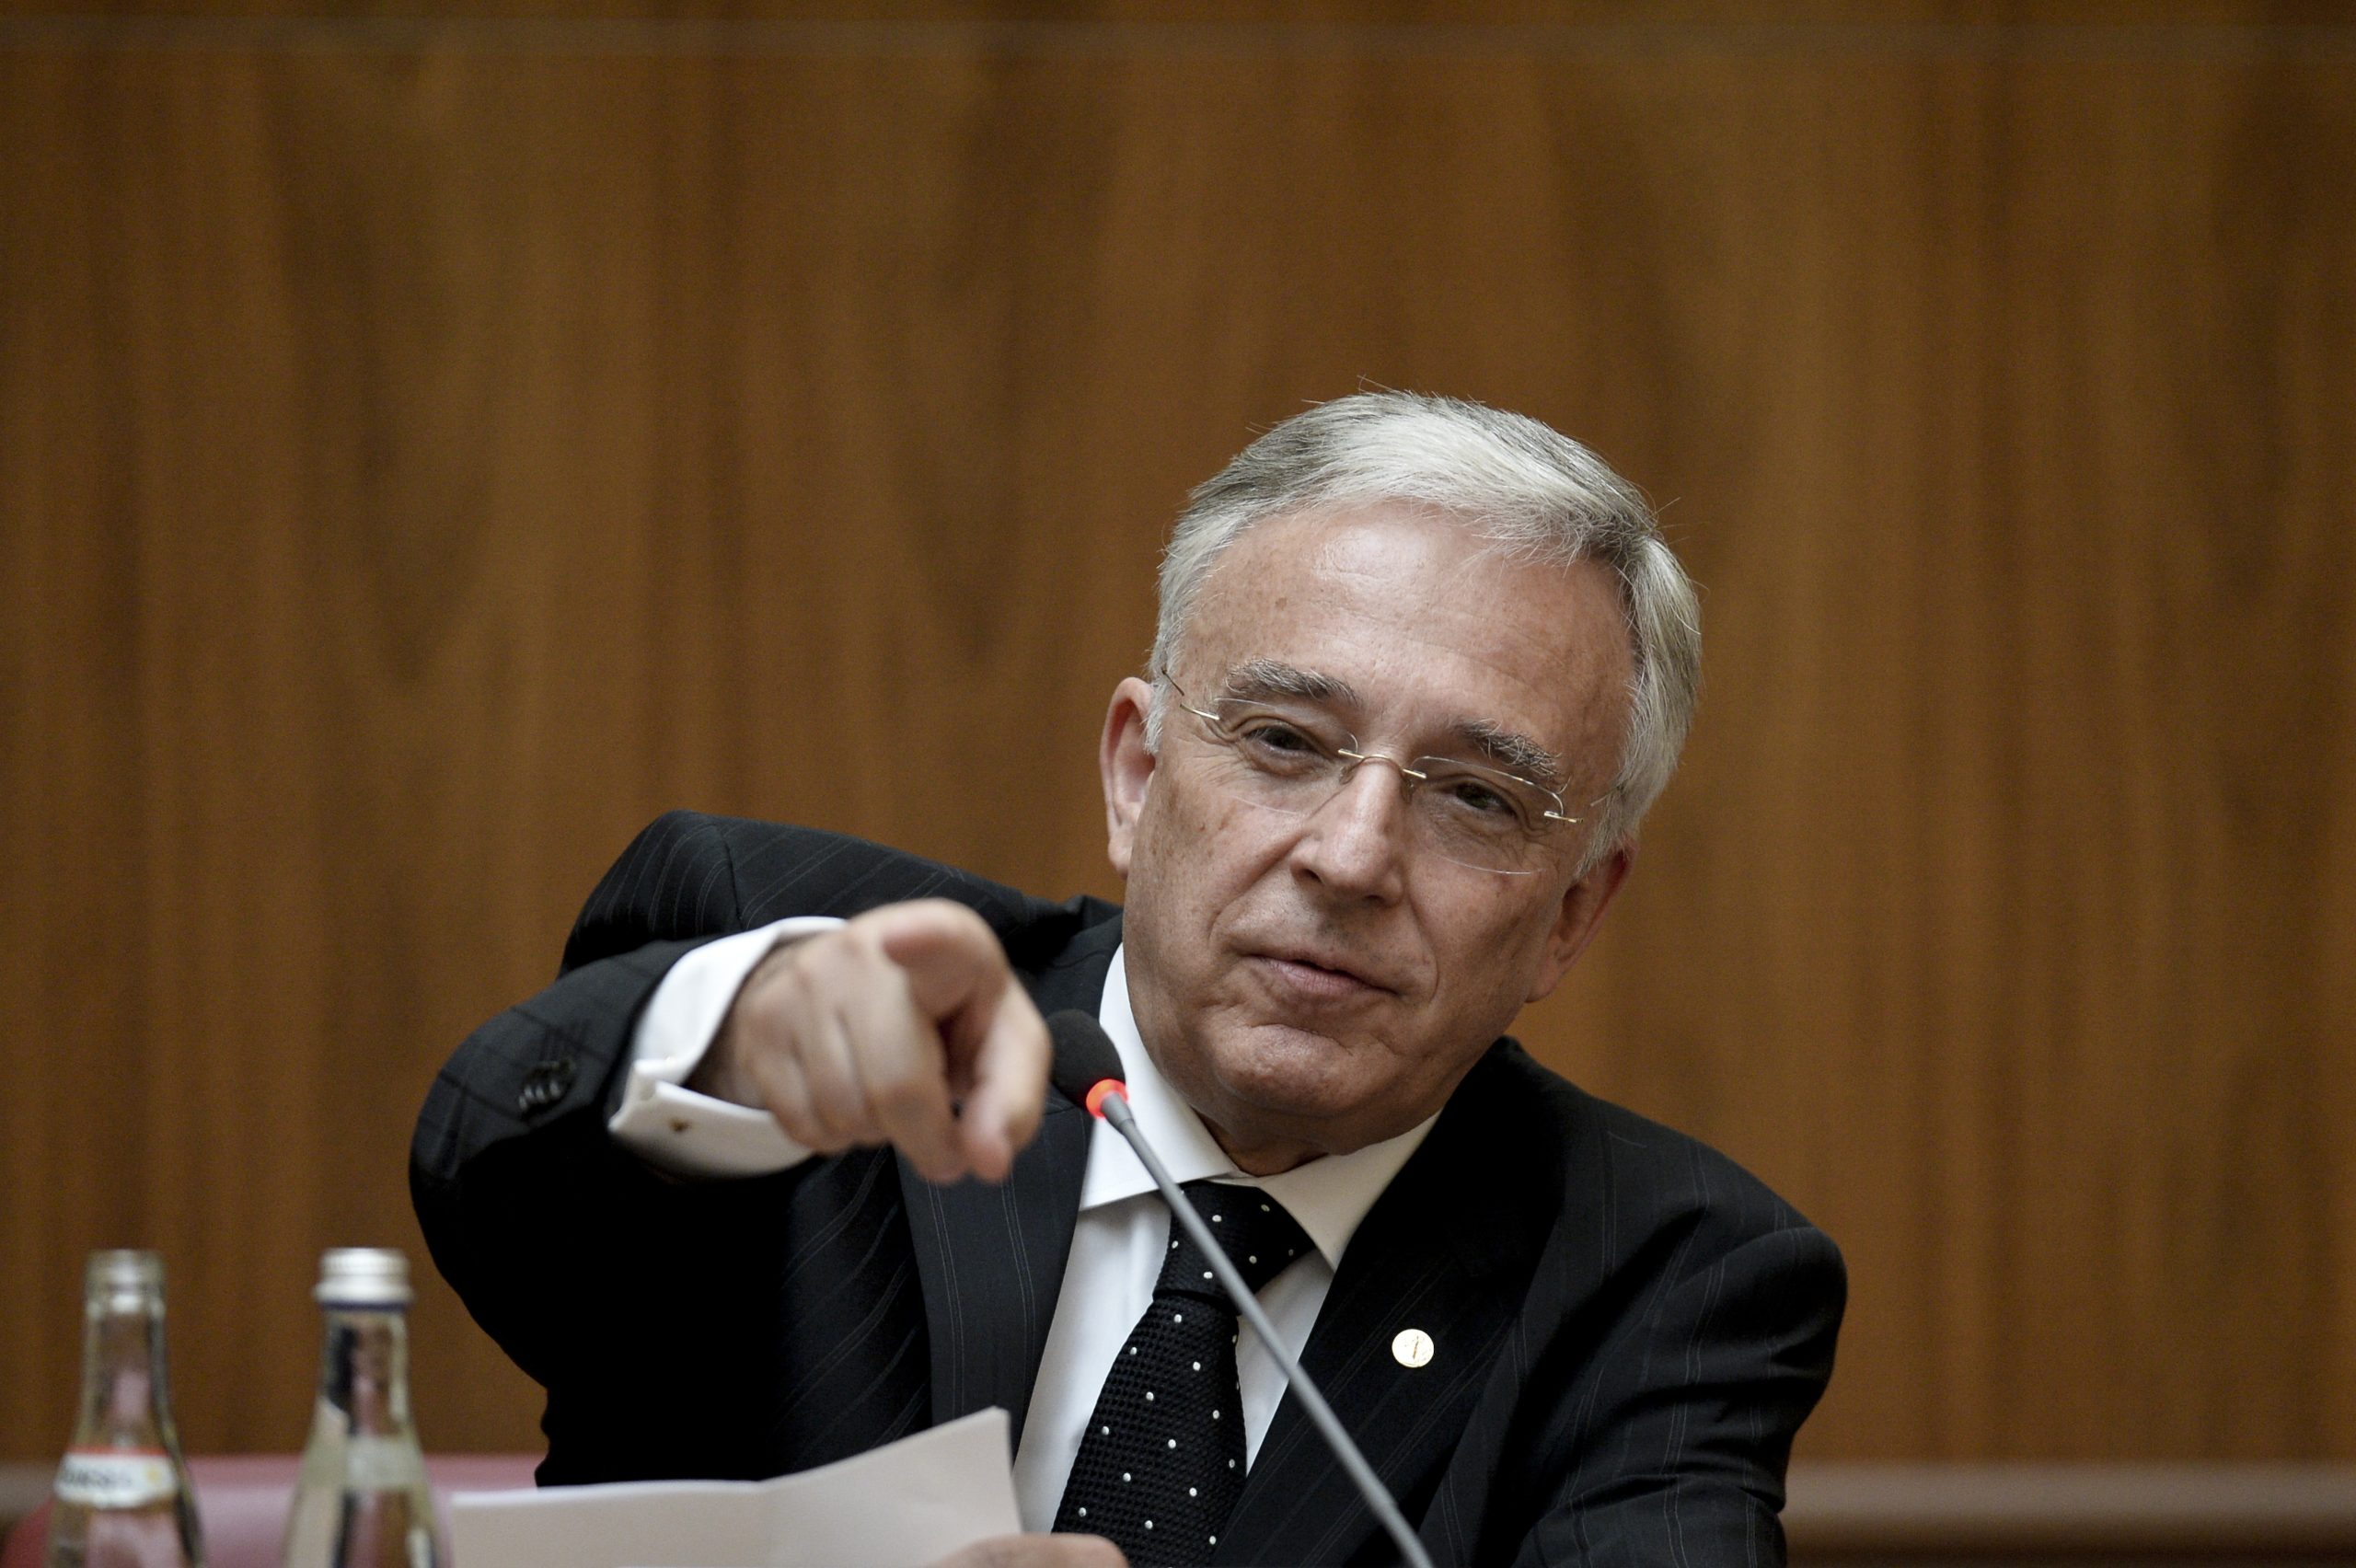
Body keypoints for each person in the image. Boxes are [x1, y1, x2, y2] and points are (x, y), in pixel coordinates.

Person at [412, 391, 1845, 1567]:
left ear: (1572, 915)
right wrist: (739, 1045)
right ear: (1138, 773)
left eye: (1476, 798)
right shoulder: (832, 990)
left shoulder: (1661, 1275)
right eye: (1284, 742)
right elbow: (482, 1174)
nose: (1351, 856)